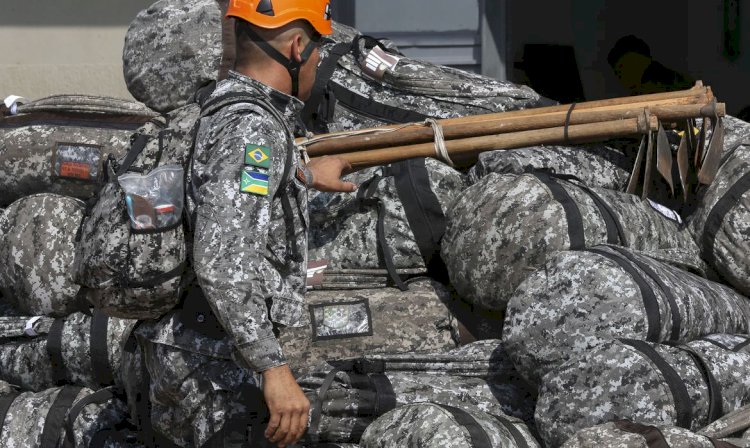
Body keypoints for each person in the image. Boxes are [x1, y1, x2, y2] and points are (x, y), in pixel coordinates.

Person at [134, 1, 357, 446]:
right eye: (317, 52)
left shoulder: (220, 104)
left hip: (187, 350)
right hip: (213, 366)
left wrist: (303, 176)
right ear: (296, 48)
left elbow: (221, 195)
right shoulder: (251, 128)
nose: (317, 63)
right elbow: (222, 258)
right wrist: (272, 369)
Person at [607, 34, 695, 95]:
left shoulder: (672, 81)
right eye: (617, 73)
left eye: (622, 68)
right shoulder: (638, 93)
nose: (620, 76)